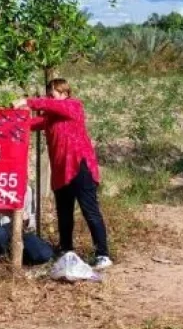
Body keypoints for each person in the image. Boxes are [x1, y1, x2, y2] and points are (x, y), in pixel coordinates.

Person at [15, 78, 112, 270]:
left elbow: (48, 105)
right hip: (61, 172)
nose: (50, 98)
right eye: (49, 94)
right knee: (64, 214)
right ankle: (67, 250)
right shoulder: (51, 118)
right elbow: (28, 124)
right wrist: (14, 117)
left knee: (90, 211)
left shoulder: (73, 106)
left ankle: (102, 254)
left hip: (79, 167)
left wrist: (27, 102)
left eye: (54, 94)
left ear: (65, 93)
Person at [0, 183, 54, 265]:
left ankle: (17, 257)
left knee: (43, 254)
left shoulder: (29, 190)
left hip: (21, 231)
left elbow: (31, 224)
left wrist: (23, 218)